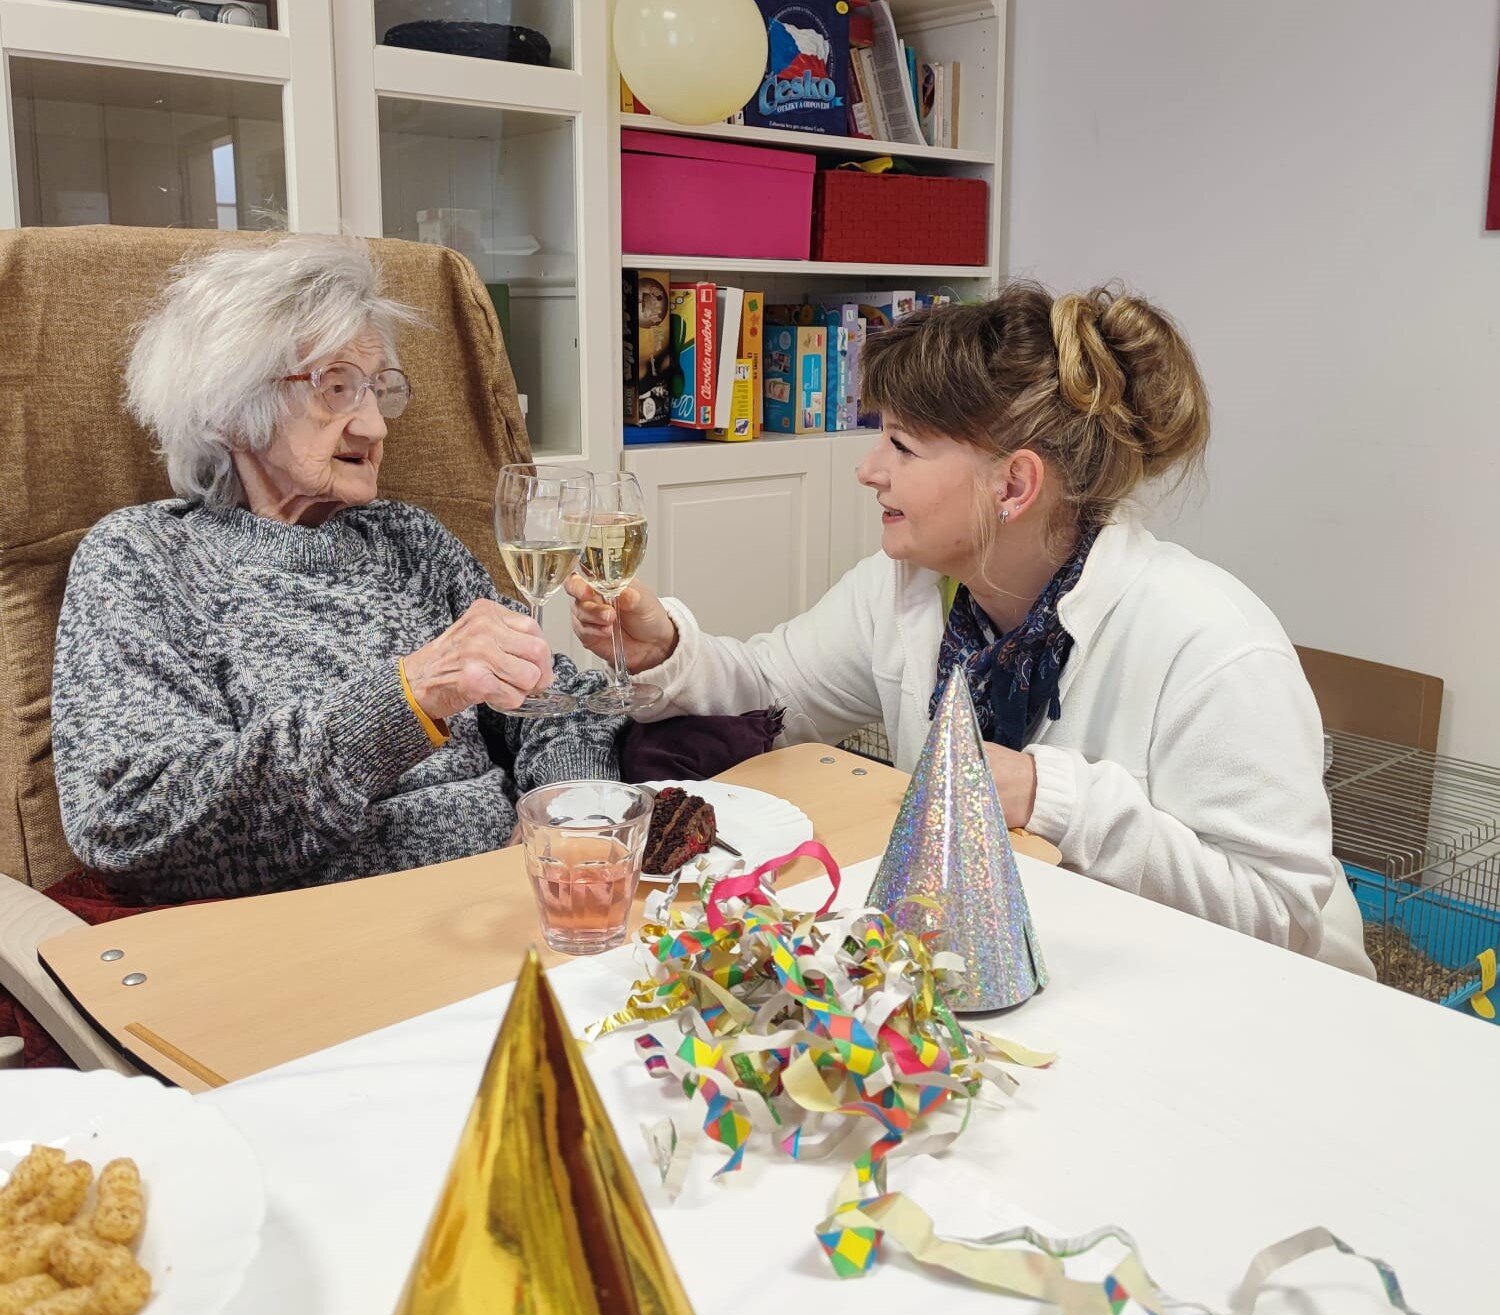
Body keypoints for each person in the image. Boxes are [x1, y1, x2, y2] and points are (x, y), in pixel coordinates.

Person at [568, 282, 1372, 976]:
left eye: (902, 445)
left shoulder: (1212, 642)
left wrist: (1052, 797)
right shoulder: (911, 587)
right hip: (1042, 973)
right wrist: (665, 649)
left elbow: (1283, 916)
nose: (869, 469)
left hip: (1264, 1014)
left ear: (1014, 485)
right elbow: (775, 689)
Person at [52, 234, 618, 903]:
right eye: (336, 388)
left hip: (515, 896)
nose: (375, 427)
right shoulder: (144, 558)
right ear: (229, 412)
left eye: (377, 389)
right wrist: (405, 700)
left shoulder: (409, 539)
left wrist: (568, 819)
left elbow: (557, 701)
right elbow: (132, 828)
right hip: (334, 929)